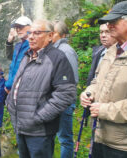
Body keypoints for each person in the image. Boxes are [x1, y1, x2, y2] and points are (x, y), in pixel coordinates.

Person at [80, 1, 127, 158]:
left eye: (114, 21)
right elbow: (97, 80)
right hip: (101, 138)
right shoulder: (112, 50)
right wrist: (89, 92)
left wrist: (104, 110)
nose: (108, 26)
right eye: (108, 21)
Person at [6, 20, 76, 158]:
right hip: (21, 124)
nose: (31, 37)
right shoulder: (28, 55)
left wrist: (38, 117)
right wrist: (10, 104)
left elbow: (66, 94)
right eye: (30, 33)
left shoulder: (57, 58)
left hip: (39, 130)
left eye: (37, 33)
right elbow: (17, 83)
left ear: (50, 36)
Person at [52, 21, 78, 158]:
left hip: (64, 103)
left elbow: (73, 79)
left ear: (62, 35)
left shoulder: (67, 51)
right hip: (54, 101)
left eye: (54, 32)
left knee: (64, 138)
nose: (51, 35)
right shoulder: (54, 49)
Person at [5, 16, 32, 94]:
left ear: (30, 27)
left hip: (21, 90)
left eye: (21, 26)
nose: (18, 29)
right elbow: (11, 58)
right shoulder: (18, 45)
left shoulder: (32, 46)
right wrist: (9, 42)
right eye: (16, 27)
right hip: (11, 89)